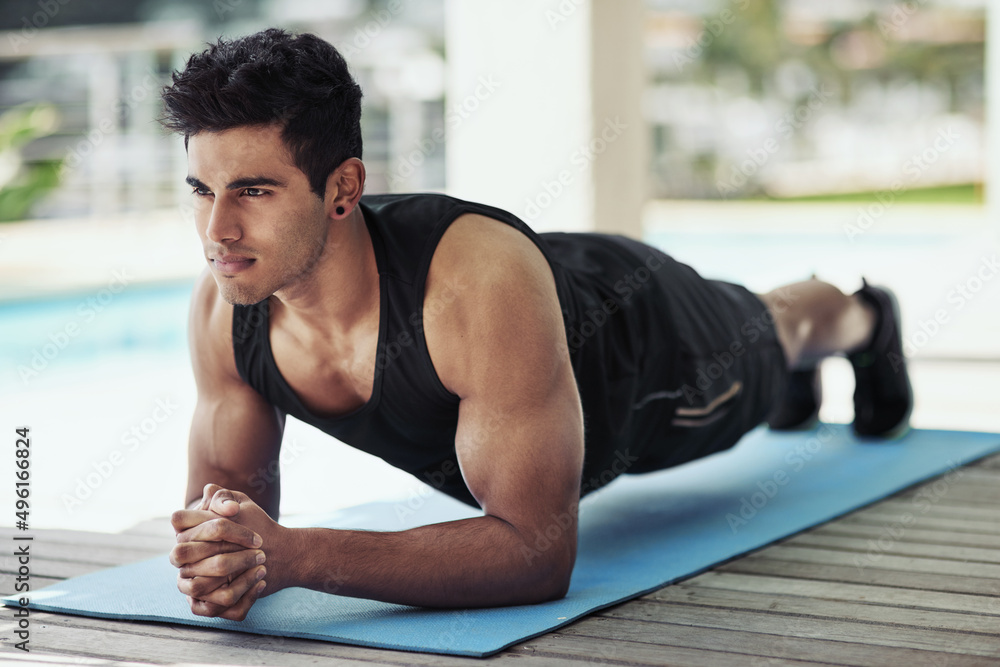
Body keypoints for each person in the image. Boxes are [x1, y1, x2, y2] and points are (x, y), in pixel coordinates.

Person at [160, 28, 912, 621]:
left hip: (645, 347)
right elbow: (224, 522)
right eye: (201, 189)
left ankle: (866, 315)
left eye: (253, 190)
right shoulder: (224, 308)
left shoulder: (472, 289)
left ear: (344, 187)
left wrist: (296, 558)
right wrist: (223, 557)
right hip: (539, 298)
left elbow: (534, 553)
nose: (217, 228)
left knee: (775, 329)